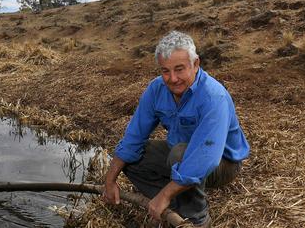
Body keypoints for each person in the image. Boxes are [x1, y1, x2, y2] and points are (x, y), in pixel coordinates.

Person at [102, 31, 250, 227]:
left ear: (195, 64)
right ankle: (175, 202)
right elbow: (133, 138)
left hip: (223, 163)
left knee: (180, 155)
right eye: (165, 71)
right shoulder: (156, 89)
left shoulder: (213, 97)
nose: (172, 78)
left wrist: (164, 194)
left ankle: (196, 218)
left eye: (179, 69)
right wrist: (110, 181)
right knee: (135, 157)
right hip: (179, 151)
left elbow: (205, 157)